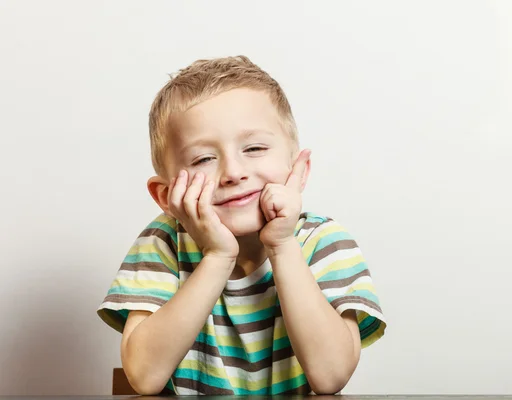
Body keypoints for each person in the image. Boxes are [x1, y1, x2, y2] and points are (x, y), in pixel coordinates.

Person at [97, 55, 386, 395]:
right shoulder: (163, 243)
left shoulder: (324, 242)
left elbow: (331, 376)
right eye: (204, 158)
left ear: (299, 170)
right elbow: (144, 377)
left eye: (254, 148)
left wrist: (282, 245)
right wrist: (217, 256)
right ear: (165, 195)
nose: (233, 173)